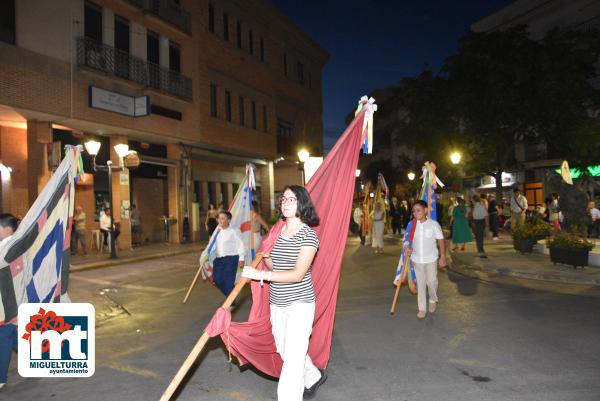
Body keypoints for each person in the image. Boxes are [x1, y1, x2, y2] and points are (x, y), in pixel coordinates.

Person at [242, 185, 326, 401]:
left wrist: (259, 276)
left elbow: (298, 274)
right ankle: (314, 376)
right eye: (284, 199)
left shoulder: (309, 236)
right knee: (285, 351)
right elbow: (274, 267)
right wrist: (265, 255)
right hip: (277, 303)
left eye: (292, 199)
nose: (285, 203)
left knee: (293, 359)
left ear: (302, 204)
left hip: (300, 303)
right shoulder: (276, 233)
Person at [403, 200, 446, 319]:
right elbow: (406, 240)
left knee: (432, 282)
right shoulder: (411, 225)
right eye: (414, 211)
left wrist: (443, 256)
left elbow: (441, 240)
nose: (416, 213)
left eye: (418, 210)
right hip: (417, 260)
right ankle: (422, 308)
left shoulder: (434, 224)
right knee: (421, 285)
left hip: (431, 259)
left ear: (426, 210)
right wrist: (407, 248)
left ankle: (433, 299)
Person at [0, 213, 18, 389]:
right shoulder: (6, 245)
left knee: (4, 336)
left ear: (6, 229)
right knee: (11, 335)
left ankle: (0, 378)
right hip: (8, 302)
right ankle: (34, 357)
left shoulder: (9, 248)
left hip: (8, 303)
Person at [212, 210, 245, 297]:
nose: (220, 220)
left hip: (231, 259)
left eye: (222, 218)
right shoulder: (217, 232)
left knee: (228, 282)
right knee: (217, 280)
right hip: (219, 260)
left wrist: (241, 258)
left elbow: (240, 244)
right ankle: (231, 295)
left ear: (228, 220)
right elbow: (213, 246)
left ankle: (230, 302)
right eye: (219, 218)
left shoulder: (234, 231)